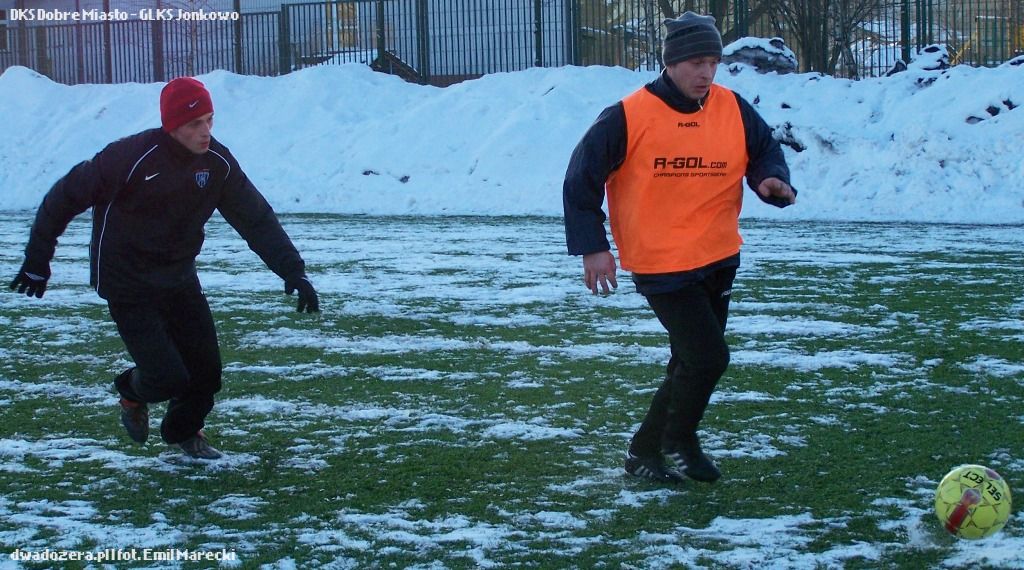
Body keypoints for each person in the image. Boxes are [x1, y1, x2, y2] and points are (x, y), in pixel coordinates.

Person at [9, 77, 320, 460]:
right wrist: (37, 260)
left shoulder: (217, 163)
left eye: (209, 120)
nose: (205, 132)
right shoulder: (129, 157)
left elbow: (255, 217)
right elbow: (63, 197)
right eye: (194, 124)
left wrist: (292, 270)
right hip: (127, 282)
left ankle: (183, 432)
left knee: (206, 374)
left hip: (178, 278)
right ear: (172, 125)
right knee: (165, 377)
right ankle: (130, 392)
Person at [562, 12, 797, 484]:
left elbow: (763, 149)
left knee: (689, 360)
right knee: (709, 357)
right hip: (662, 263)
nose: (706, 73)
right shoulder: (627, 115)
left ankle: (644, 452)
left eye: (712, 62)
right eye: (695, 63)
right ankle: (680, 440)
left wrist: (770, 178)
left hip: (719, 254)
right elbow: (580, 180)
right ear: (670, 63)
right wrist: (593, 246)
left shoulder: (731, 106)